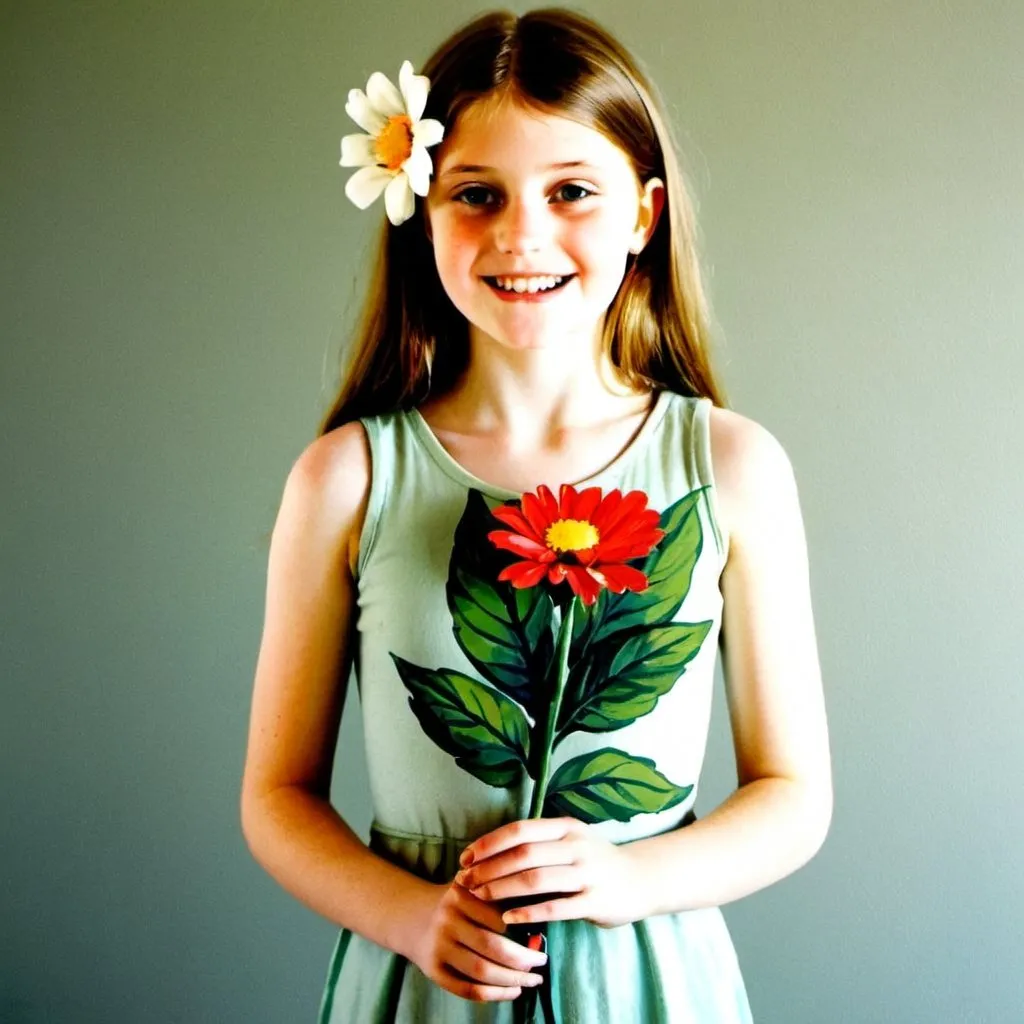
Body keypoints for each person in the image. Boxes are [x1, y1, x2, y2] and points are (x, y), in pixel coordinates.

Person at [240, 8, 832, 1023]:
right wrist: (413, 918)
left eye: (571, 193)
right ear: (420, 208)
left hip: (649, 980)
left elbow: (792, 795)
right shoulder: (343, 480)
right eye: (476, 195)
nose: (522, 235)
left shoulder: (732, 466)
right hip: (423, 986)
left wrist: (632, 879)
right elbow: (277, 797)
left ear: (642, 215)